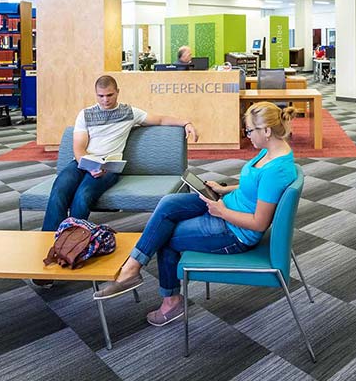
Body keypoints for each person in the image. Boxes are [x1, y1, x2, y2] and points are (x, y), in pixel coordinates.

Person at [93, 102, 298, 327]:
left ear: (266, 131)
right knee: (169, 203)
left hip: (235, 231)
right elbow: (255, 187)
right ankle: (133, 266)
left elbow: (259, 223)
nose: (247, 135)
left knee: (166, 237)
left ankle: (169, 301)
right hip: (225, 206)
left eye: (249, 130)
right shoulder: (269, 152)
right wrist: (224, 190)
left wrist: (222, 212)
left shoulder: (276, 170)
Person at [35, 75, 198, 285]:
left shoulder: (128, 112)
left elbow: (160, 119)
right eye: (101, 96)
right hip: (82, 162)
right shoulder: (85, 114)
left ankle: (72, 250)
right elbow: (78, 148)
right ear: (96, 95)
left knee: (82, 197)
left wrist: (187, 123)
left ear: (117, 92)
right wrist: (89, 165)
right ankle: (48, 248)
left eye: (109, 95)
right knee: (58, 192)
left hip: (109, 167)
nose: (105, 100)